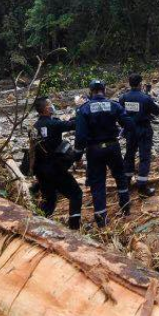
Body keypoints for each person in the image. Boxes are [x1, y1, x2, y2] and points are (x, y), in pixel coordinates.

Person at [75, 80, 135, 227]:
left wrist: (77, 155)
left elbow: (81, 136)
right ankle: (125, 206)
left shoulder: (84, 109)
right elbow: (130, 124)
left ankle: (101, 217)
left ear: (91, 92)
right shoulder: (114, 105)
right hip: (112, 146)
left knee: (98, 182)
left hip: (94, 149)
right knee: (120, 177)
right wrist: (121, 133)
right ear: (104, 89)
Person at [31, 96, 82, 230]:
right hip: (56, 169)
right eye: (50, 104)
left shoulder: (34, 127)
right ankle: (74, 227)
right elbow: (74, 124)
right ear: (46, 108)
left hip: (41, 171)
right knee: (76, 194)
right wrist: (79, 108)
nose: (52, 106)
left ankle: (36, 225)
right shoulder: (54, 124)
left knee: (50, 200)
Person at [118, 73, 159, 197]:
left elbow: (119, 114)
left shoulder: (123, 97)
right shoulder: (145, 98)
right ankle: (142, 187)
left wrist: (124, 126)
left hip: (130, 129)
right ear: (140, 84)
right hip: (143, 128)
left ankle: (126, 183)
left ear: (129, 84)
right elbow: (156, 112)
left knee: (129, 154)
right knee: (144, 157)